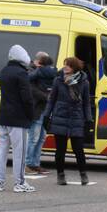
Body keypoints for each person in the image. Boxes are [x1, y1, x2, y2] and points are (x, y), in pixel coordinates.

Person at [44, 56, 92, 186]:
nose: (65, 67)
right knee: (60, 150)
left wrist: (89, 120)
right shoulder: (58, 81)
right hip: (60, 117)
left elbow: (86, 103)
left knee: (78, 149)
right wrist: (46, 115)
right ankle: (60, 175)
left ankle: (83, 174)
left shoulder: (84, 82)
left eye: (68, 65)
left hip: (76, 118)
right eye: (65, 65)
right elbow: (51, 100)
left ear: (74, 68)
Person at [0, 44, 36, 193]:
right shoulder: (21, 74)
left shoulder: (4, 71)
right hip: (18, 119)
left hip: (4, 117)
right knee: (19, 152)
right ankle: (19, 183)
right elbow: (27, 98)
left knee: (2, 151)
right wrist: (31, 115)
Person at [25, 52, 56, 174]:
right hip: (36, 108)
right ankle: (28, 164)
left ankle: (35, 164)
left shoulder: (42, 72)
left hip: (45, 109)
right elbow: (30, 88)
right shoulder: (31, 71)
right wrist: (46, 96)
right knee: (33, 137)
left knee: (41, 138)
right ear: (38, 62)